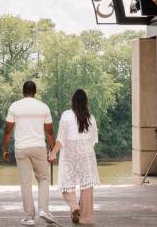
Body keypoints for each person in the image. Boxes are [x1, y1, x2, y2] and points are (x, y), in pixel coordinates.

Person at [2, 80, 57, 226]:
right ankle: (44, 209)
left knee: (25, 182)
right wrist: (53, 151)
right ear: (35, 92)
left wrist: (5, 149)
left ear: (23, 91)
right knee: (44, 178)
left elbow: (8, 130)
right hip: (39, 147)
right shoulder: (43, 107)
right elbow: (50, 131)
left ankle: (30, 217)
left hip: (21, 149)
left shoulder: (15, 106)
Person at [48, 89, 100, 225]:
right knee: (86, 186)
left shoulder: (66, 115)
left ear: (73, 101)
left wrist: (53, 153)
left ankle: (74, 206)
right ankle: (86, 217)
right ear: (86, 102)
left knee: (66, 183)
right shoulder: (91, 117)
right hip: (86, 152)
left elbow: (61, 139)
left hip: (70, 152)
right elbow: (93, 140)